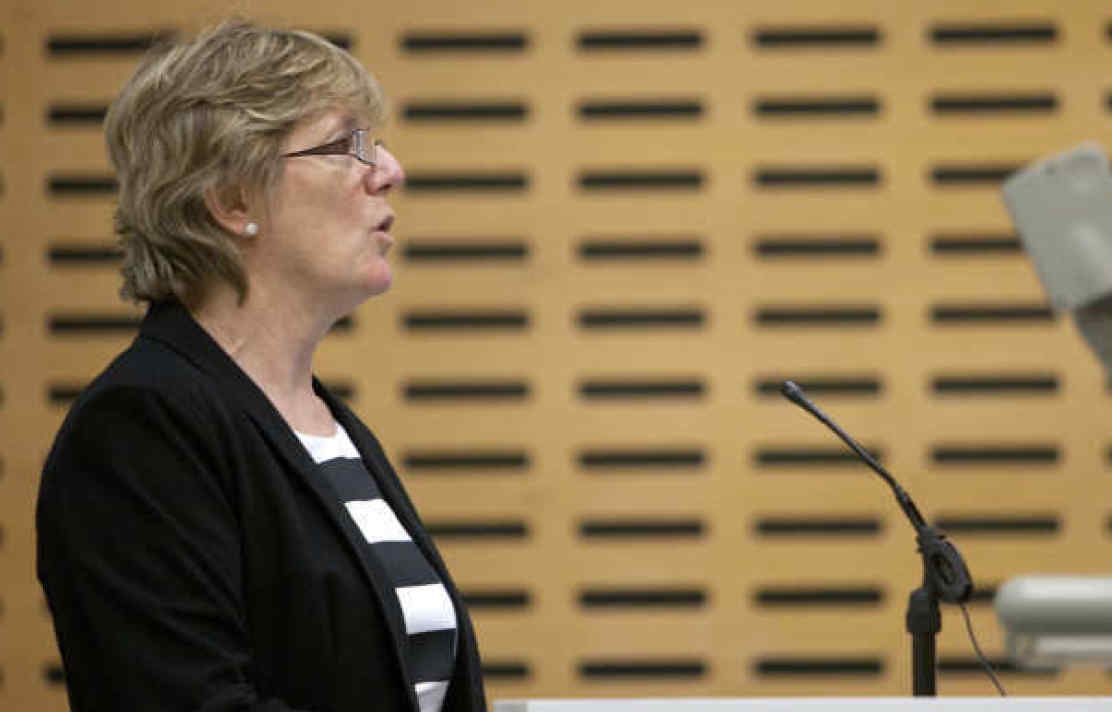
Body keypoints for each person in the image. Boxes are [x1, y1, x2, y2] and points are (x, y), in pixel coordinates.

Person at [35, 19, 486, 712]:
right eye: (347, 145)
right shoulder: (140, 430)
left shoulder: (328, 426)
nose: (391, 171)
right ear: (232, 199)